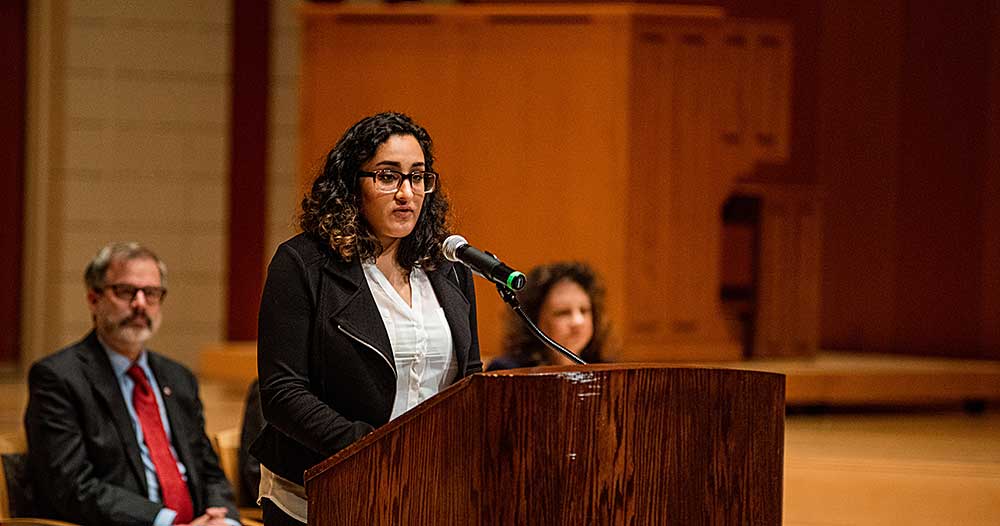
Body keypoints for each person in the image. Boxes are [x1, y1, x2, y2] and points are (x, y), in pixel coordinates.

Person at [251, 112, 482, 526]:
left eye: (418, 177)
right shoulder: (303, 264)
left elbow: (470, 378)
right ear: (351, 185)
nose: (406, 193)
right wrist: (373, 450)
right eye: (388, 176)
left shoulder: (448, 266)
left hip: (426, 494)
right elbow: (283, 393)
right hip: (319, 493)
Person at [24, 242, 240, 526]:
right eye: (126, 291)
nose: (140, 303)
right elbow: (71, 485)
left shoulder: (179, 377)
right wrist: (164, 522)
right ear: (93, 298)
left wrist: (223, 519)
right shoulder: (58, 377)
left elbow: (209, 470)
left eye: (151, 293)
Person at [487, 261, 610, 370]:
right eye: (563, 313)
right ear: (534, 319)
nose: (578, 321)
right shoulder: (507, 370)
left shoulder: (606, 369)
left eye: (584, 310)